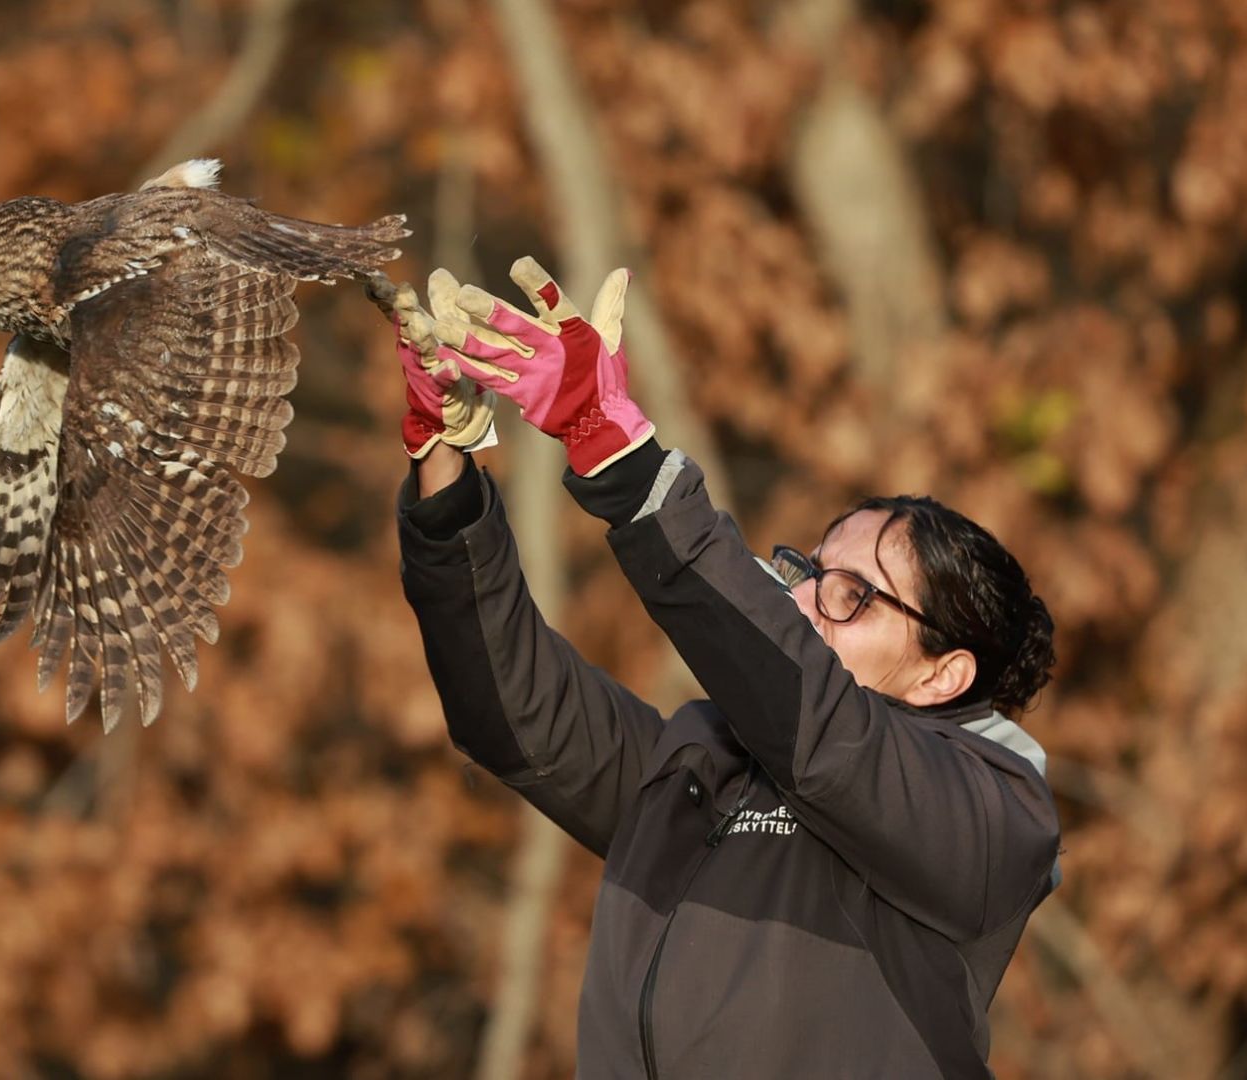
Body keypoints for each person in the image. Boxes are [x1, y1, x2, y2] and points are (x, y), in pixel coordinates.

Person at [371, 259, 1062, 1079]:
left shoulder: (991, 812)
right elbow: (510, 708)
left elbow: (817, 724)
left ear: (942, 675)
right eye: (806, 572)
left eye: (850, 597)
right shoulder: (707, 760)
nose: (803, 604)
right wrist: (443, 468)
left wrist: (618, 453)